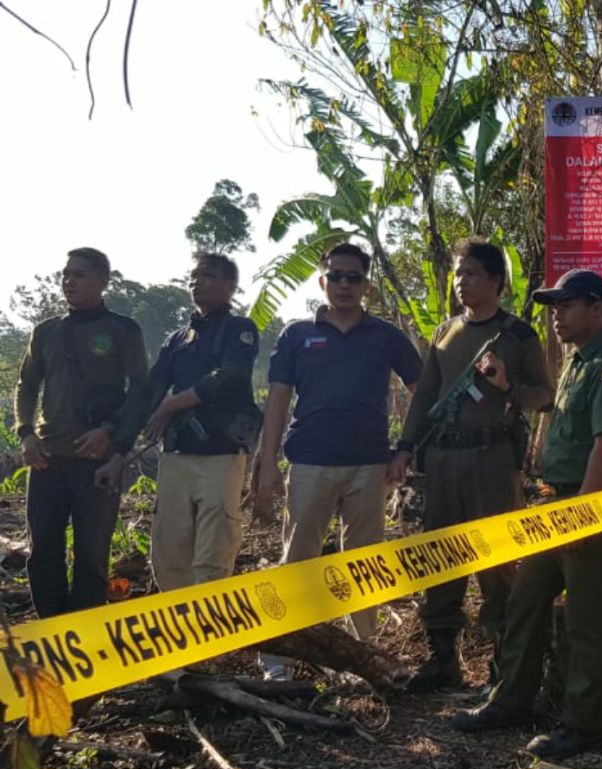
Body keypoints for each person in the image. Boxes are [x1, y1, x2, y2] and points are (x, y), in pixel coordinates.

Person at [452, 269, 602, 760]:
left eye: (567, 305)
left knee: (587, 621)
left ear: (597, 310)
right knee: (526, 600)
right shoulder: (579, 363)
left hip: (589, 507)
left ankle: (583, 725)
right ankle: (512, 699)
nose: (556, 315)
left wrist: (584, 512)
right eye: (554, 306)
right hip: (556, 505)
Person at [394, 239, 553, 693]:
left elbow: (544, 395)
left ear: (497, 281)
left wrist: (507, 388)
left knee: (496, 559)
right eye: (458, 275)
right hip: (444, 460)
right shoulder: (445, 331)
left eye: (471, 274)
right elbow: (424, 395)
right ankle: (443, 658)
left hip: (493, 459)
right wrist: (406, 445)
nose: (462, 282)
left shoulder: (518, 334)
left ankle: (505, 666)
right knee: (440, 557)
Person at [256, 243, 421, 674]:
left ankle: (363, 658)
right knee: (298, 559)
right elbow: (277, 400)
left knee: (364, 562)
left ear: (366, 284)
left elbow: (422, 390)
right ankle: (282, 658)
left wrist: (407, 447)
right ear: (322, 280)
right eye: (337, 276)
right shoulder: (296, 335)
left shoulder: (385, 336)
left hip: (370, 466)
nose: (345, 285)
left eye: (355, 278)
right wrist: (267, 462)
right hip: (310, 462)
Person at [15, 247, 150, 617]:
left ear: (103, 281)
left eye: (79, 274)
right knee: (42, 552)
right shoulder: (46, 332)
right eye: (66, 274)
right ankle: (51, 636)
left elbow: (140, 391)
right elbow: (26, 387)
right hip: (48, 460)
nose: (68, 281)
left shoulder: (123, 329)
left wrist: (112, 434)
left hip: (98, 464)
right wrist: (26, 434)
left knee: (91, 556)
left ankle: (86, 640)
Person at [141, 254, 259, 591]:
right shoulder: (176, 339)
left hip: (219, 454)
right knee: (169, 548)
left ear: (229, 285)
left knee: (214, 548)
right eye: (194, 276)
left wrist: (173, 405)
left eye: (207, 275)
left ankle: (212, 629)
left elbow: (232, 376)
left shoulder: (240, 329)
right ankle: (177, 626)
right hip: (176, 453)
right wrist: (121, 433)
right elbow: (152, 389)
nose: (196, 282)